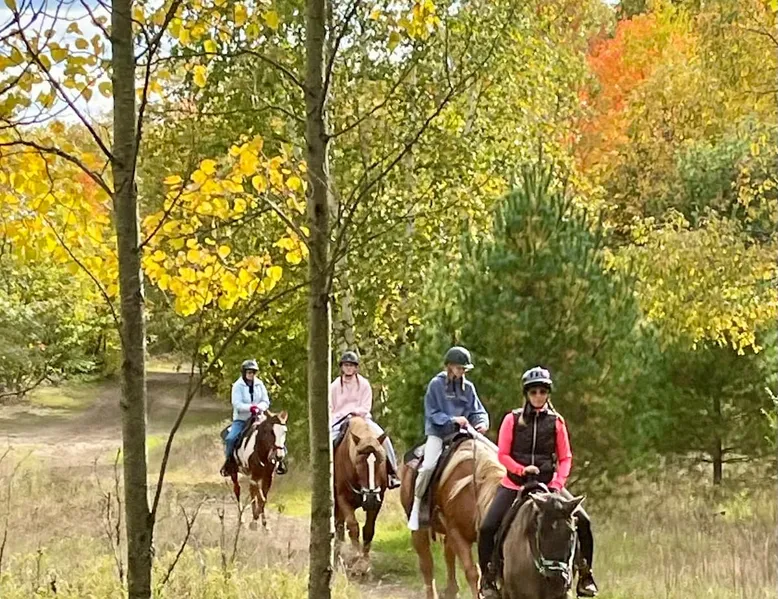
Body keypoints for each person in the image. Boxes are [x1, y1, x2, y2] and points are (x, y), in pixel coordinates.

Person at [477, 366, 599, 598]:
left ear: (547, 394)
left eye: (542, 391)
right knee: (488, 527)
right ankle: (489, 577)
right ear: (527, 394)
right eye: (533, 392)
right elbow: (503, 454)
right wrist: (521, 470)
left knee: (584, 521)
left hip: (548, 486)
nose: (538, 396)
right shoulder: (512, 420)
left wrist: (557, 483)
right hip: (515, 484)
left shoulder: (556, 422)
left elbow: (565, 457)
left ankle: (585, 574)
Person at [407, 345, 489, 531]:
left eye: (464, 369)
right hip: (439, 433)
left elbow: (478, 411)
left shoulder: (469, 388)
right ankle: (417, 505)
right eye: (459, 368)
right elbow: (432, 413)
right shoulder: (435, 385)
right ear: (449, 366)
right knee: (428, 466)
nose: (462, 372)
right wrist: (452, 420)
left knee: (490, 458)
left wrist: (482, 423)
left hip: (463, 434)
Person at [330, 350, 400, 489]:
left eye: (351, 365)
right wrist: (342, 415)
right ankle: (327, 475)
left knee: (384, 439)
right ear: (341, 367)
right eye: (346, 365)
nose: (348, 368)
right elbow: (331, 407)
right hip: (340, 421)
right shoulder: (334, 386)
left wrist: (355, 413)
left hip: (362, 419)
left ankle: (392, 473)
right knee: (329, 443)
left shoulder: (364, 384)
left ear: (356, 368)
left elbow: (366, 406)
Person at [220, 358, 287, 476]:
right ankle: (229, 464)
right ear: (244, 373)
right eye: (249, 372)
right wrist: (250, 408)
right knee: (230, 439)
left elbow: (266, 401)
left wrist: (259, 407)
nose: (252, 375)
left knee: (276, 433)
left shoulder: (260, 384)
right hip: (242, 419)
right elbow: (236, 403)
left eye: (254, 372)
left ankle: (280, 461)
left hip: (259, 417)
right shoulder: (237, 386)